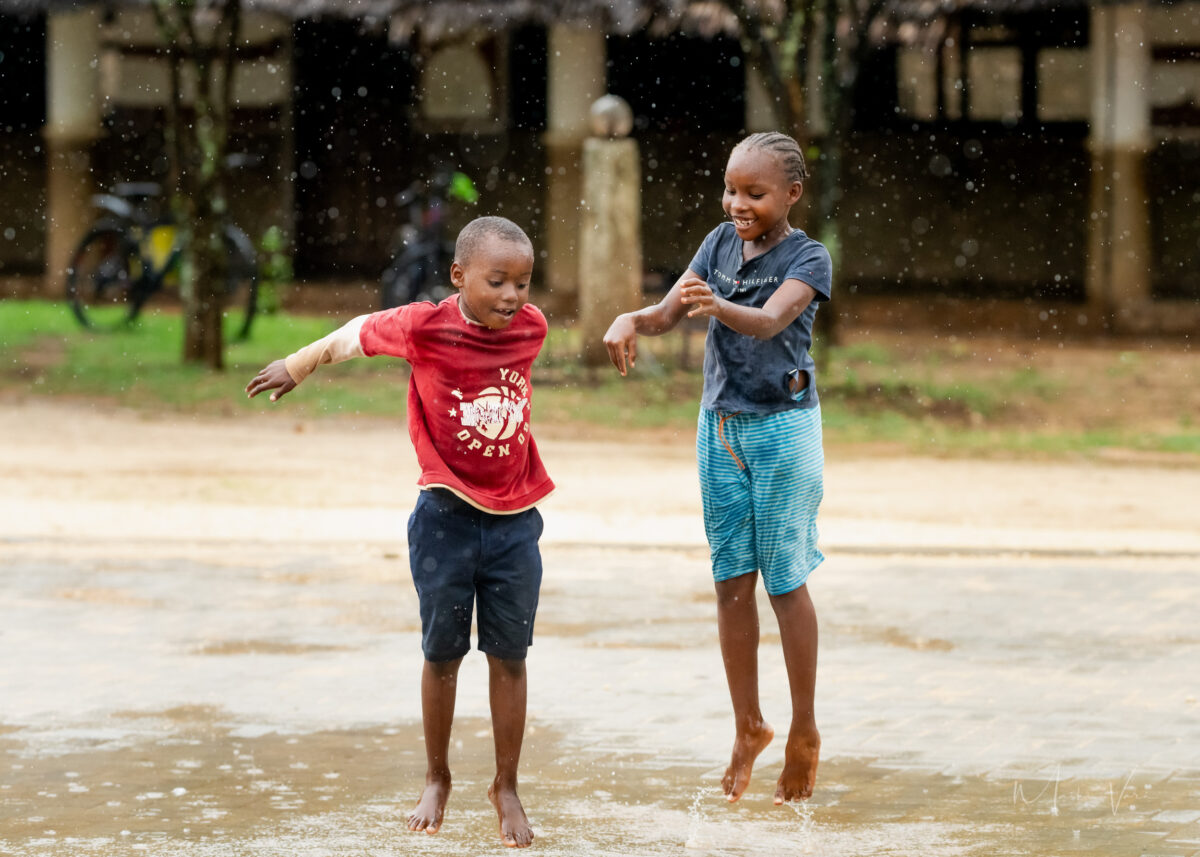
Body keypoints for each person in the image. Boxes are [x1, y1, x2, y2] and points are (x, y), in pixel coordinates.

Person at [246, 215, 553, 848]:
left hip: (515, 523)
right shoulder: (423, 326)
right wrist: (298, 364)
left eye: (522, 283)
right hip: (444, 519)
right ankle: (437, 777)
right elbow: (355, 334)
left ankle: (506, 785)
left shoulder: (532, 328)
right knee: (443, 655)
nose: (512, 297)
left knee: (510, 657)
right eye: (497, 281)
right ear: (458, 276)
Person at [603, 132, 831, 806]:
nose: (737, 204)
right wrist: (630, 318)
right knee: (731, 581)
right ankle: (748, 724)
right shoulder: (717, 244)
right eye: (731, 189)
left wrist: (715, 307)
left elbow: (768, 321)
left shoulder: (809, 257)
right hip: (719, 428)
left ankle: (804, 728)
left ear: (791, 194)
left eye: (754, 193)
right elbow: (665, 314)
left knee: (784, 582)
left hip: (783, 431)